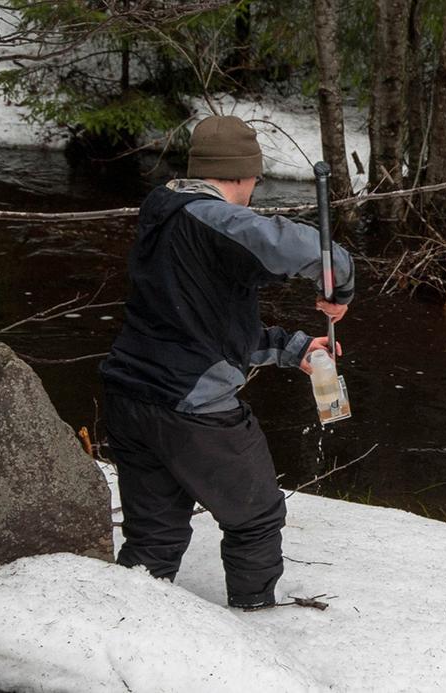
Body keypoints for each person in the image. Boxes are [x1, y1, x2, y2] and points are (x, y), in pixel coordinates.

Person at [99, 114, 354, 610]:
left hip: (129, 396)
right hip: (192, 410)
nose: (254, 189)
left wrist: (291, 347)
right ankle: (254, 616)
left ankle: (124, 628)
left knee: (152, 540)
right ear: (242, 174)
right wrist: (340, 279)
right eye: (255, 178)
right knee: (255, 517)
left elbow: (195, 323)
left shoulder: (162, 210)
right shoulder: (218, 222)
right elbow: (307, 248)